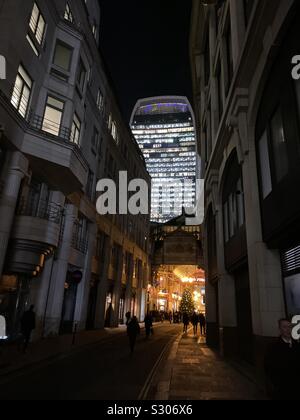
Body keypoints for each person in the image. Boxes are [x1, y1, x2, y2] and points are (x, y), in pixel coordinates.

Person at [264, 318, 300, 400]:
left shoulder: (297, 346)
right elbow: (268, 367)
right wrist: (275, 383)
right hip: (281, 387)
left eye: (289, 327)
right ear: (280, 329)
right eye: (284, 327)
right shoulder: (273, 347)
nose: (287, 330)